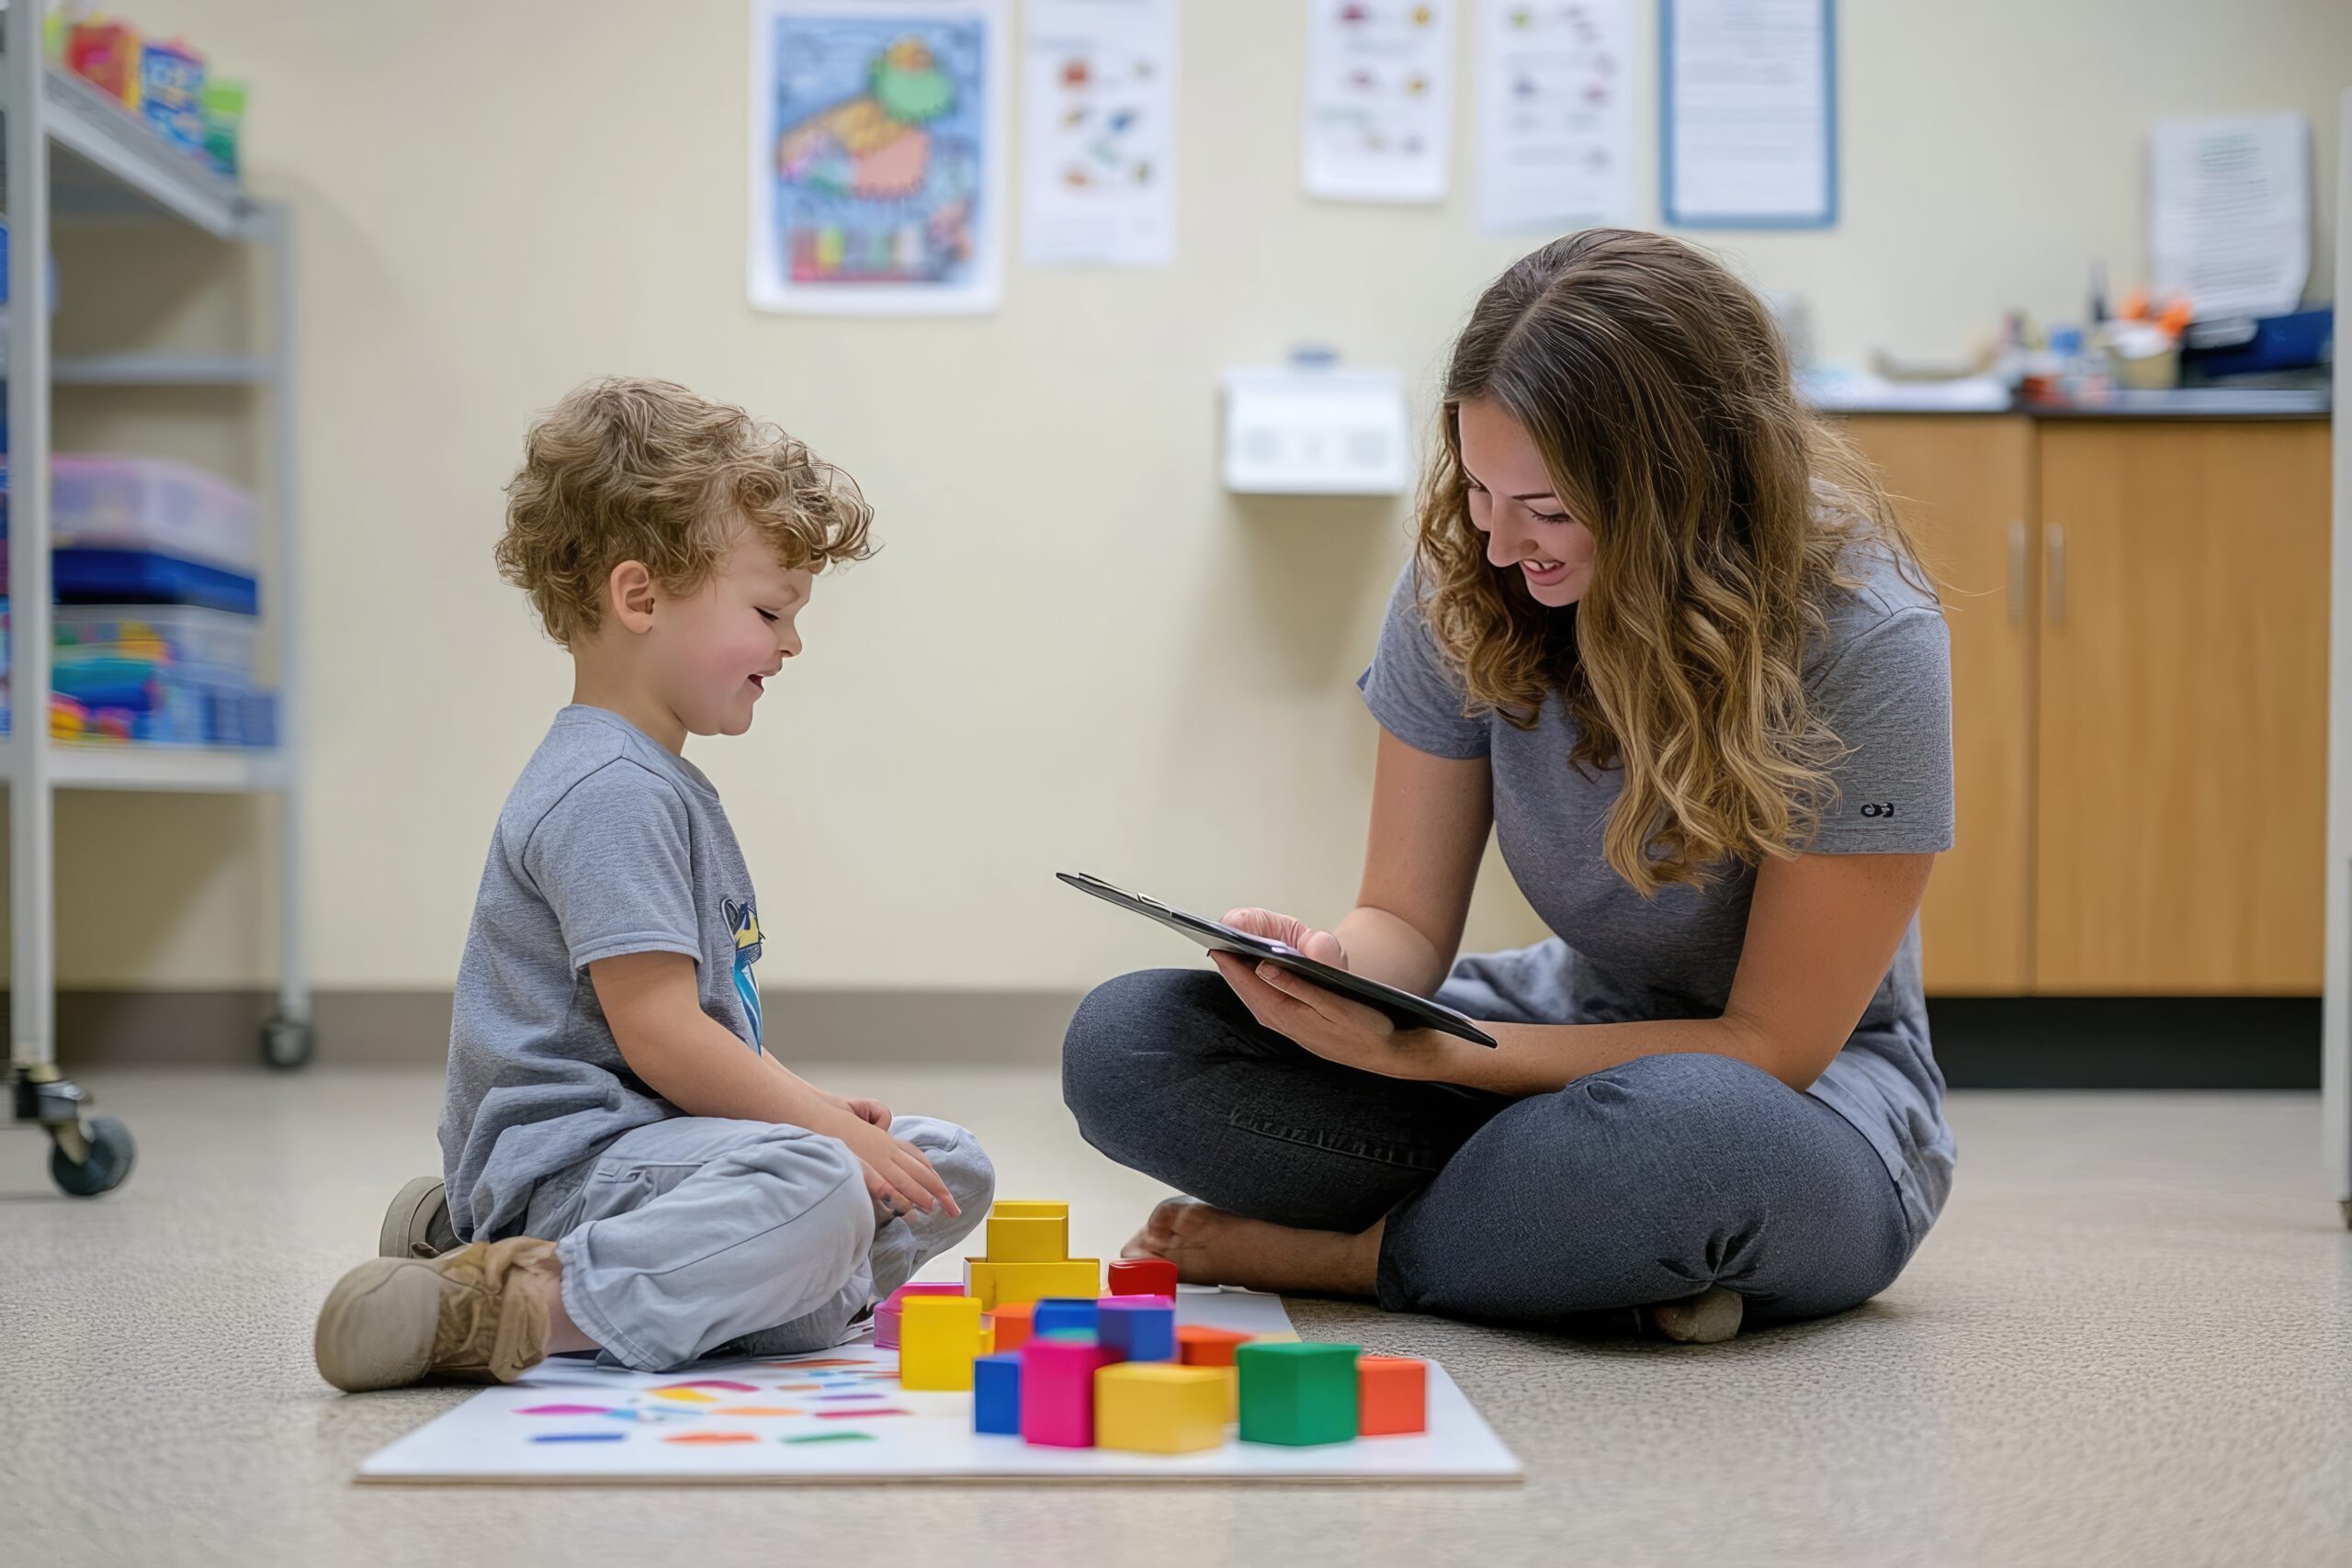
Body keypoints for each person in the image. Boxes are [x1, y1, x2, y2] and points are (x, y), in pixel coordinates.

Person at [1063, 230, 1954, 1343]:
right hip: (1547, 1042)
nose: (1495, 544)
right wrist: (1338, 984)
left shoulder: (1869, 639)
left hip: (1796, 1103)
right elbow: (1401, 920)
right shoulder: (1464, 578)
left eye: (1545, 506)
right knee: (1134, 1042)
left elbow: (1771, 1044)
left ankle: (1365, 1257)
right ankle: (1558, 1244)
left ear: (1680, 486)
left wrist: (1427, 1055)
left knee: (1684, 1141)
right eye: (1480, 490)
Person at [313, 377, 992, 1391]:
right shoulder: (609, 791)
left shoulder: (654, 778)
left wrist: (805, 1106)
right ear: (639, 598)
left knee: (950, 1166)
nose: (793, 642)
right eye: (770, 610)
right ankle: (501, 1304)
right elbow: (664, 1037)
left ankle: (504, 1243)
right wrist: (813, 1127)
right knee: (816, 1185)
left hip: (652, 1154)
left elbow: (687, 1044)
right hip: (579, 1166)